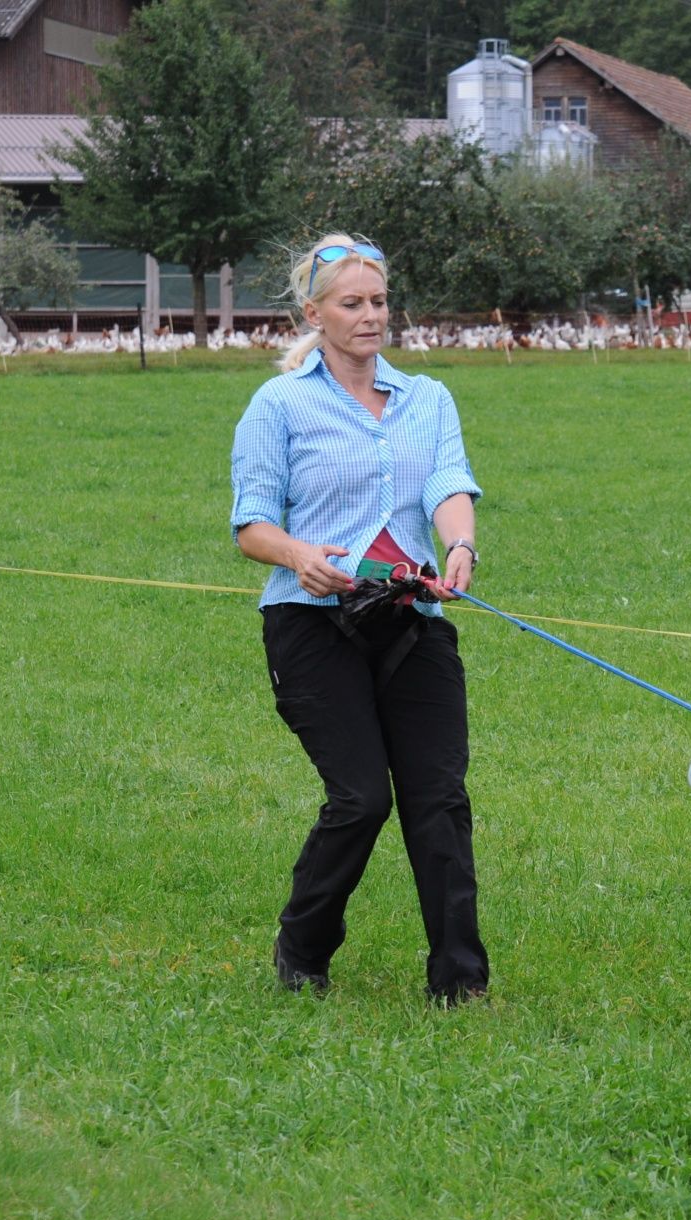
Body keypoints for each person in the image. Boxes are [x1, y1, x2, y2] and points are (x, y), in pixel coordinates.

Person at [228, 233, 489, 1002]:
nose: (371, 315)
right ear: (316, 314)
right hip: (311, 624)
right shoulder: (279, 404)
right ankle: (302, 950)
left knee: (439, 799)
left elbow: (447, 482)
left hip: (410, 620)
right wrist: (298, 554)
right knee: (362, 798)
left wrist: (459, 545)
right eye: (352, 303)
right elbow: (251, 524)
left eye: (379, 301)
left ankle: (460, 984)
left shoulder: (427, 398)